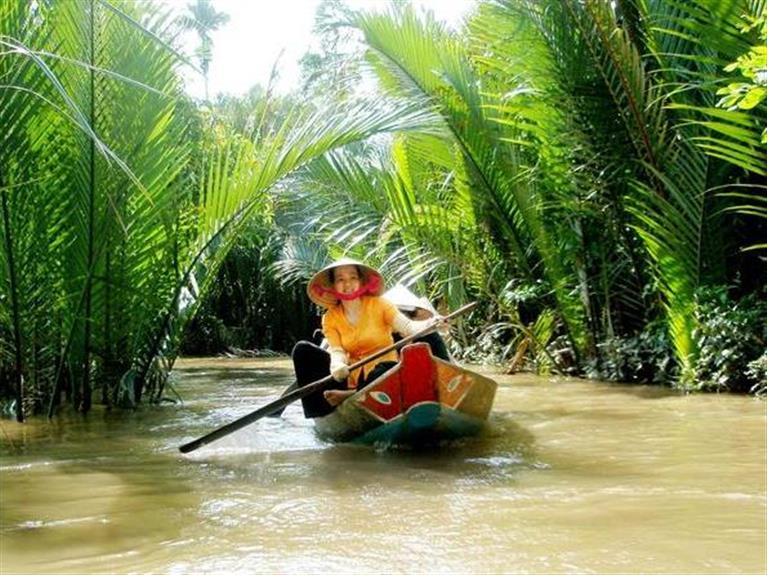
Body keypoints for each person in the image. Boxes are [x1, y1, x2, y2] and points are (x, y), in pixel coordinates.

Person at [291, 259, 445, 418]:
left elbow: (408, 327)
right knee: (302, 350)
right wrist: (337, 365)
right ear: (333, 286)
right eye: (340, 280)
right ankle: (322, 414)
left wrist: (431, 323)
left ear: (361, 281)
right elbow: (337, 350)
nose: (348, 284)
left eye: (353, 278)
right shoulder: (330, 318)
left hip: (384, 374)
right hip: (352, 375)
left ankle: (351, 395)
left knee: (385, 368)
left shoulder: (380, 305)